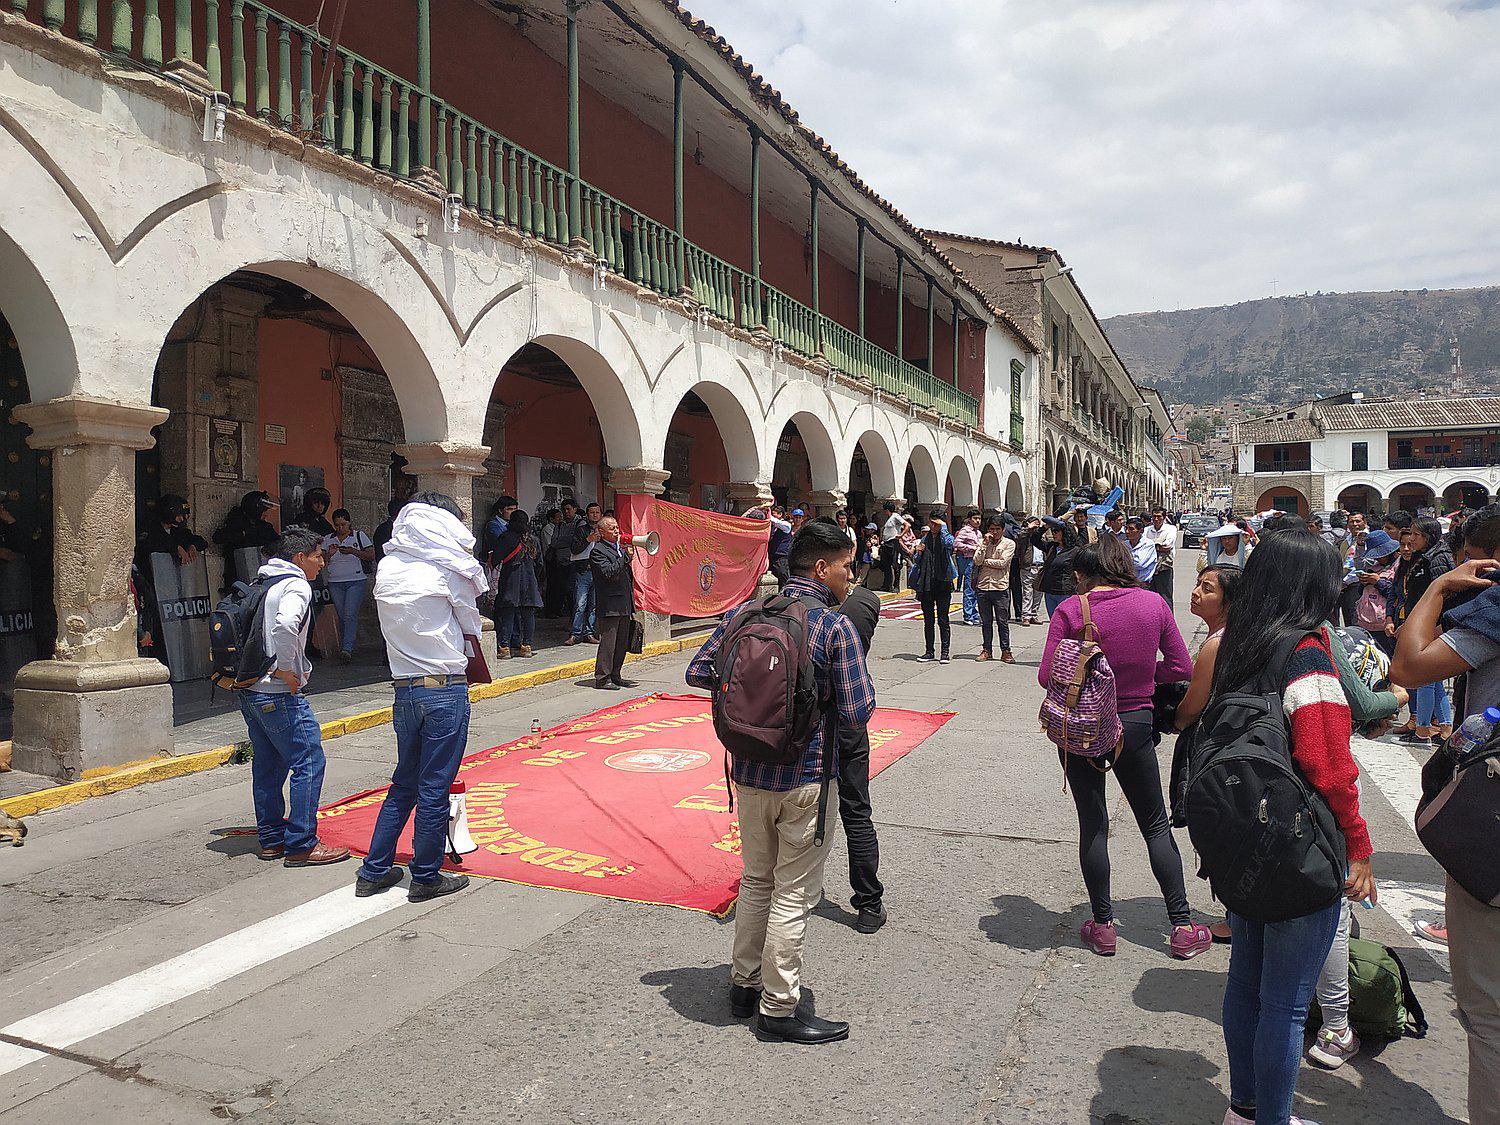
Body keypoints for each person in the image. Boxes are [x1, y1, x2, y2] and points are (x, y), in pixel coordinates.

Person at [1204, 529, 1374, 1125]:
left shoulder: (1238, 642)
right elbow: (1328, 765)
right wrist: (1358, 845)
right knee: (1286, 1004)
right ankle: (1273, 1118)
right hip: (1298, 843)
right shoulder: (1308, 650)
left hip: (1243, 837)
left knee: (1245, 981)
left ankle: (1244, 1109)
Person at [685, 519, 875, 1043]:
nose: (849, 576)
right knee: (793, 894)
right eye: (845, 566)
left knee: (755, 880)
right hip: (807, 779)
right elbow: (860, 708)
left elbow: (699, 672)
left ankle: (743, 984)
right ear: (821, 567)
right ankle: (778, 1007)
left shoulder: (745, 613)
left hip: (747, 773)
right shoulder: (832, 627)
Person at [1038, 536, 1206, 960]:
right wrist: (1143, 674)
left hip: (1084, 728)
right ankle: (1182, 926)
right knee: (1154, 824)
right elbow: (1181, 667)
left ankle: (1103, 925)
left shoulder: (1071, 610)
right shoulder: (1152, 604)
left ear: (1083, 572)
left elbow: (1046, 675)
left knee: (1093, 824)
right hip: (1135, 722)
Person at [1390, 504, 1500, 1124]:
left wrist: (1435, 587)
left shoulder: (1494, 607)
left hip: (1492, 820)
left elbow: (1409, 664)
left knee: (1487, 1012)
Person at [354, 492, 485, 903]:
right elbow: (471, 622)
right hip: (444, 689)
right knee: (434, 786)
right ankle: (426, 875)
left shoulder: (388, 567)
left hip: (404, 689)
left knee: (403, 783)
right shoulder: (445, 569)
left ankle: (374, 870)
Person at [237, 528, 349, 868]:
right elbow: (286, 625)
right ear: (299, 557)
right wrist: (287, 669)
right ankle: (302, 842)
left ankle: (271, 838)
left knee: (268, 765)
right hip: (279, 692)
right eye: (317, 555)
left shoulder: (264, 581)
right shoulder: (296, 584)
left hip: (252, 690)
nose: (322, 561)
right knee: (309, 761)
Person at [835, 580, 886, 934]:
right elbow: (858, 707)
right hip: (845, 724)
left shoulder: (827, 614)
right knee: (855, 811)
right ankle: (868, 900)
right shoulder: (861, 603)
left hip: (807, 723)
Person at [1389, 516, 1455, 746]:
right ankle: (1444, 727)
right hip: (1422, 623)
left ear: (1428, 536)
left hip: (1430, 626)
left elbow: (1440, 597)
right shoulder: (1422, 558)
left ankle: (1422, 732)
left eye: (1417, 535)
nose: (1412, 539)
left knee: (1425, 678)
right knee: (1434, 681)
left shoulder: (1437, 559)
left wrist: (1417, 626)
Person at [589, 515, 638, 690]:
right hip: (610, 604)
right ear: (601, 532)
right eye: (612, 529)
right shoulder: (598, 551)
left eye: (617, 527)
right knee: (608, 643)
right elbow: (608, 572)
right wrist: (625, 557)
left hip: (624, 603)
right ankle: (602, 677)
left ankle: (616, 674)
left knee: (621, 642)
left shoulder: (618, 548)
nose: (616, 531)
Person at [321, 508, 375, 662]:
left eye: (343, 525)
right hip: (335, 581)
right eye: (337, 525)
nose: (340, 528)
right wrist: (329, 554)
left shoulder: (359, 536)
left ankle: (347, 648)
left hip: (355, 580)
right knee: (342, 615)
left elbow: (371, 555)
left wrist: (353, 551)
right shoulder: (328, 539)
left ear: (349, 523)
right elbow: (321, 561)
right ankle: (347, 644)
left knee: (350, 614)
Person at [491, 508, 543, 659]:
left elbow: (495, 559)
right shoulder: (533, 540)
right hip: (529, 580)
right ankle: (526, 646)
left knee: (507, 614)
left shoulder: (506, 538)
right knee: (528, 614)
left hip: (510, 580)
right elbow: (540, 563)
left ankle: (504, 647)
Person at [910, 513, 956, 664]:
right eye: (931, 523)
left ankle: (945, 652)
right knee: (928, 620)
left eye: (936, 524)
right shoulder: (925, 538)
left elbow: (949, 545)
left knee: (943, 619)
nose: (933, 526)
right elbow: (917, 560)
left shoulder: (947, 537)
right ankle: (929, 651)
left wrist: (943, 527)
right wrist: (919, 551)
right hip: (927, 582)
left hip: (943, 582)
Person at [212, 489, 280, 591]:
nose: (266, 514)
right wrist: (242, 533)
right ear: (255, 509)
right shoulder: (236, 522)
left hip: (261, 578)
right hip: (239, 578)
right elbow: (218, 537)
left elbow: (278, 541)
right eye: (264, 511)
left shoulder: (264, 527)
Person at [972, 514, 1015, 663]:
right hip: (983, 587)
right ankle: (987, 649)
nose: (994, 532)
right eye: (992, 529)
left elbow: (1003, 563)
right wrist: (984, 545)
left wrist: (986, 562)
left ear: (1002, 529)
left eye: (997, 529)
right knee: (986, 622)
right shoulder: (983, 543)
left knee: (1002, 622)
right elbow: (977, 561)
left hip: (1000, 587)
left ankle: (1006, 650)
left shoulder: (1009, 544)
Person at [565, 502, 604, 646]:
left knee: (594, 605)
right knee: (580, 604)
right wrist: (588, 539)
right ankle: (575, 633)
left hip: (598, 572)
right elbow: (574, 549)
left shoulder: (604, 530)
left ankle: (589, 632)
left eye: (597, 512)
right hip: (583, 571)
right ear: (587, 515)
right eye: (592, 512)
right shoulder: (581, 530)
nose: (595, 515)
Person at [1032, 516, 1080, 616]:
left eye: (1056, 531)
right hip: (1050, 591)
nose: (1054, 534)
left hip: (1065, 592)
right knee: (1054, 622)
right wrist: (1045, 527)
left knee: (1065, 622)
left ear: (1065, 533)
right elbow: (1034, 539)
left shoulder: (1075, 550)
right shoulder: (1052, 547)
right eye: (1052, 531)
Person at [1142, 507, 1178, 607]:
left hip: (1164, 567)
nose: (1156, 519)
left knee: (1165, 596)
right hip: (1148, 568)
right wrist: (1158, 545)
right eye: (1154, 516)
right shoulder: (1146, 530)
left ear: (1164, 517)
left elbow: (1167, 546)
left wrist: (1151, 546)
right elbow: (1142, 545)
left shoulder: (1171, 529)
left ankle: (1168, 621)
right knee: (1149, 596)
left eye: (1159, 516)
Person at [954, 509, 983, 626]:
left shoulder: (979, 533)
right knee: (969, 587)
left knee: (975, 588)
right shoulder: (965, 530)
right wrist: (971, 548)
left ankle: (974, 613)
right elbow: (956, 543)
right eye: (975, 518)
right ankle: (968, 614)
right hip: (968, 560)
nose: (977, 521)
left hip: (977, 561)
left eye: (979, 518)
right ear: (970, 519)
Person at [1021, 517, 1046, 625]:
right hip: (1028, 568)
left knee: (1038, 593)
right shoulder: (1025, 537)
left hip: (1040, 567)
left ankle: (1034, 615)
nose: (1036, 527)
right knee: (1027, 593)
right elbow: (1020, 537)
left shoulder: (1041, 539)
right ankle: (1026, 616)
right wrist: (1028, 529)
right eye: (1034, 525)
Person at [1125, 516, 1158, 587]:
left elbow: (1139, 564)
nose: (1127, 532)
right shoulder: (1124, 544)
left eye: (1131, 529)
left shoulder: (1148, 544)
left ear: (1141, 530)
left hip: (1142, 584)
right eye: (1126, 528)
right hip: (1127, 584)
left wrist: (1125, 560)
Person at [879, 501, 904, 592]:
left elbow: (907, 525)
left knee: (895, 565)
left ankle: (896, 585)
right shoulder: (888, 519)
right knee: (886, 565)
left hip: (893, 543)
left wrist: (901, 535)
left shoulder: (895, 516)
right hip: (886, 544)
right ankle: (887, 585)